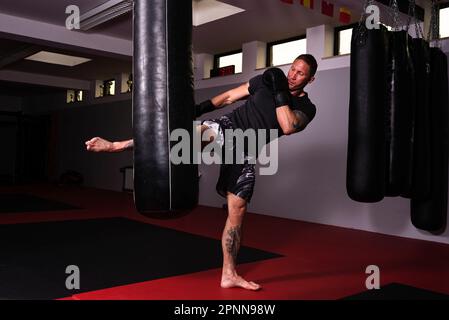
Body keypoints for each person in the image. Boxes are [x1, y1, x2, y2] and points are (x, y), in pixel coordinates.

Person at [86, 54, 317, 291]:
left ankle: (229, 274)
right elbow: (228, 97)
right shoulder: (264, 82)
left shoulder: (306, 108)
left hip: (247, 148)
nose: (292, 75)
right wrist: (197, 110)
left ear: (311, 80)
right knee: (188, 136)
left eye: (300, 73)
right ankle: (116, 145)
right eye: (292, 69)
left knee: (238, 210)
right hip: (227, 128)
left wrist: (280, 92)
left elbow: (288, 126)